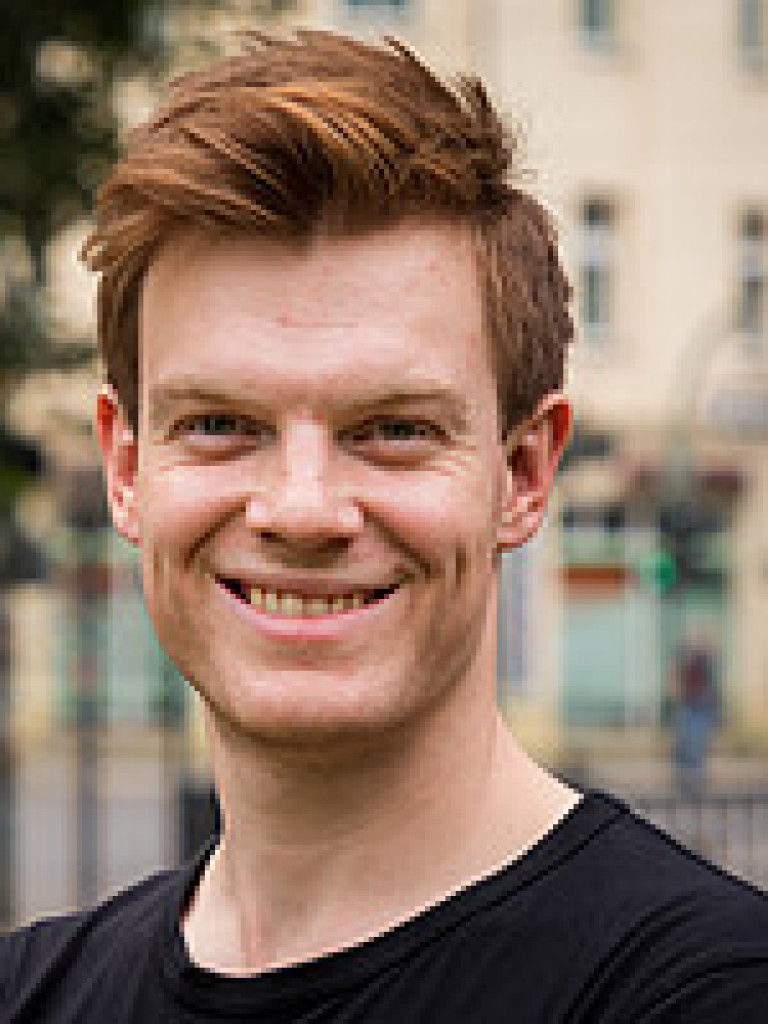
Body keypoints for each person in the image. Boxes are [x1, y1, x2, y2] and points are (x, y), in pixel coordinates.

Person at [2, 30, 767, 1022]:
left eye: (392, 429)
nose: (304, 510)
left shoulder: (702, 993)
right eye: (222, 424)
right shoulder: (29, 992)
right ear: (126, 466)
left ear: (524, 472)